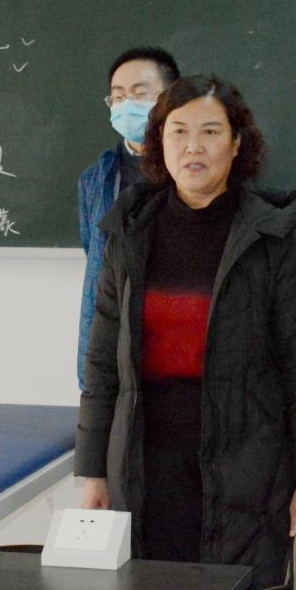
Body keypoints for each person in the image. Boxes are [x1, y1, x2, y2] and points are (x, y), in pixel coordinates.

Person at [75, 74, 296, 590]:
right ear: (158, 144)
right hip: (147, 464)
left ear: (237, 144)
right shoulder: (129, 231)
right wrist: (93, 472)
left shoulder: (269, 237)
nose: (194, 147)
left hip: (250, 466)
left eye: (211, 132)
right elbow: (102, 365)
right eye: (179, 132)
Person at [77, 47, 180, 391]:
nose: (126, 105)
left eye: (139, 94)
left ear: (170, 98)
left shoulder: (197, 171)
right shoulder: (97, 179)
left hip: (181, 336)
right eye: (118, 97)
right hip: (115, 337)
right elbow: (94, 252)